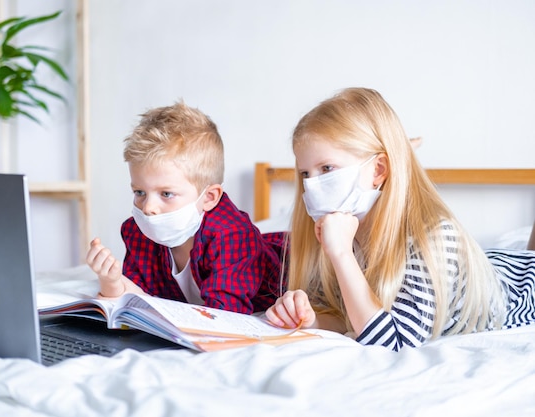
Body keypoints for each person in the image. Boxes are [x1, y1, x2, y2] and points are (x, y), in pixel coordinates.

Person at [265, 87, 535, 351]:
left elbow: (395, 341)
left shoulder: (433, 237)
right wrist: (313, 319)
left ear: (378, 169)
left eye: (327, 168)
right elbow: (348, 314)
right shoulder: (340, 230)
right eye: (305, 174)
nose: (312, 185)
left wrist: (341, 254)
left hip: (520, 287)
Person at [86, 101, 284, 314]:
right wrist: (112, 282)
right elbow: (138, 299)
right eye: (139, 192)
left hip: (290, 266)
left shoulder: (232, 235)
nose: (148, 208)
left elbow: (226, 316)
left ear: (208, 197)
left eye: (166, 194)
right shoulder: (139, 232)